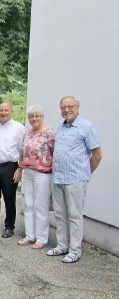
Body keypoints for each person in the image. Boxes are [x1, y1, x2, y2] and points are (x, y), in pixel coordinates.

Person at [48, 96, 102, 263]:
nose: (67, 110)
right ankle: (62, 245)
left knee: (75, 215)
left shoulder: (87, 127)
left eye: (70, 106)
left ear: (78, 108)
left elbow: (97, 155)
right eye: (63, 107)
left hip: (76, 179)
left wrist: (85, 174)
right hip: (58, 178)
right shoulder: (62, 127)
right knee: (60, 214)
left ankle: (75, 250)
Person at [0, 102, 26, 238]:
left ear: (11, 111)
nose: (3, 113)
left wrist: (19, 169)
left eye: (6, 110)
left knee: (9, 197)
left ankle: (9, 226)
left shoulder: (19, 128)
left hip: (10, 167)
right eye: (1, 110)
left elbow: (23, 151)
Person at [17, 104, 55, 249]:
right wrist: (20, 168)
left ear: (42, 117)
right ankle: (29, 235)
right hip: (28, 171)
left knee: (41, 205)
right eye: (31, 117)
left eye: (37, 116)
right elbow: (22, 152)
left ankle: (41, 238)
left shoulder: (49, 133)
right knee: (29, 204)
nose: (34, 119)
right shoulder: (27, 133)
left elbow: (54, 153)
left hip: (43, 173)